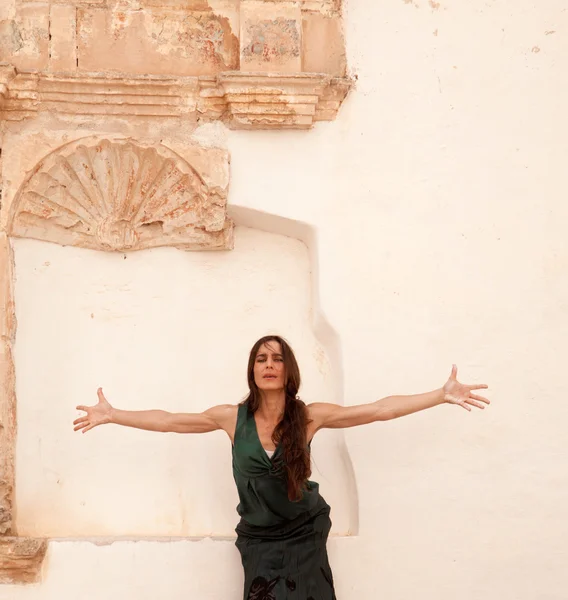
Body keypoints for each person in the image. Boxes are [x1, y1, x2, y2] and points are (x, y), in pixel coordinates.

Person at [73, 334, 489, 599]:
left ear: (288, 369)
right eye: (260, 359)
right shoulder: (230, 418)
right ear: (252, 370)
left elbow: (379, 410)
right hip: (259, 538)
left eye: (277, 358)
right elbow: (167, 421)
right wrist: (113, 415)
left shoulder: (309, 416)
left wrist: (439, 394)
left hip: (305, 531)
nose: (269, 364)